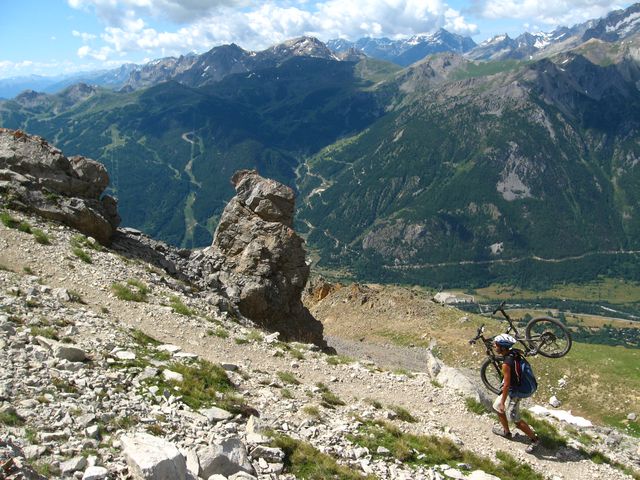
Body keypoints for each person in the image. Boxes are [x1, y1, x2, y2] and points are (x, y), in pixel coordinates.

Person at [491, 334, 540, 453]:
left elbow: (507, 385)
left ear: (502, 347)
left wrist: (503, 402)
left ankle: (535, 439)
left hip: (516, 391)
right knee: (497, 407)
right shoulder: (514, 352)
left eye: (496, 344)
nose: (494, 345)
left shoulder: (506, 364)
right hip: (515, 387)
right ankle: (506, 432)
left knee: (514, 418)